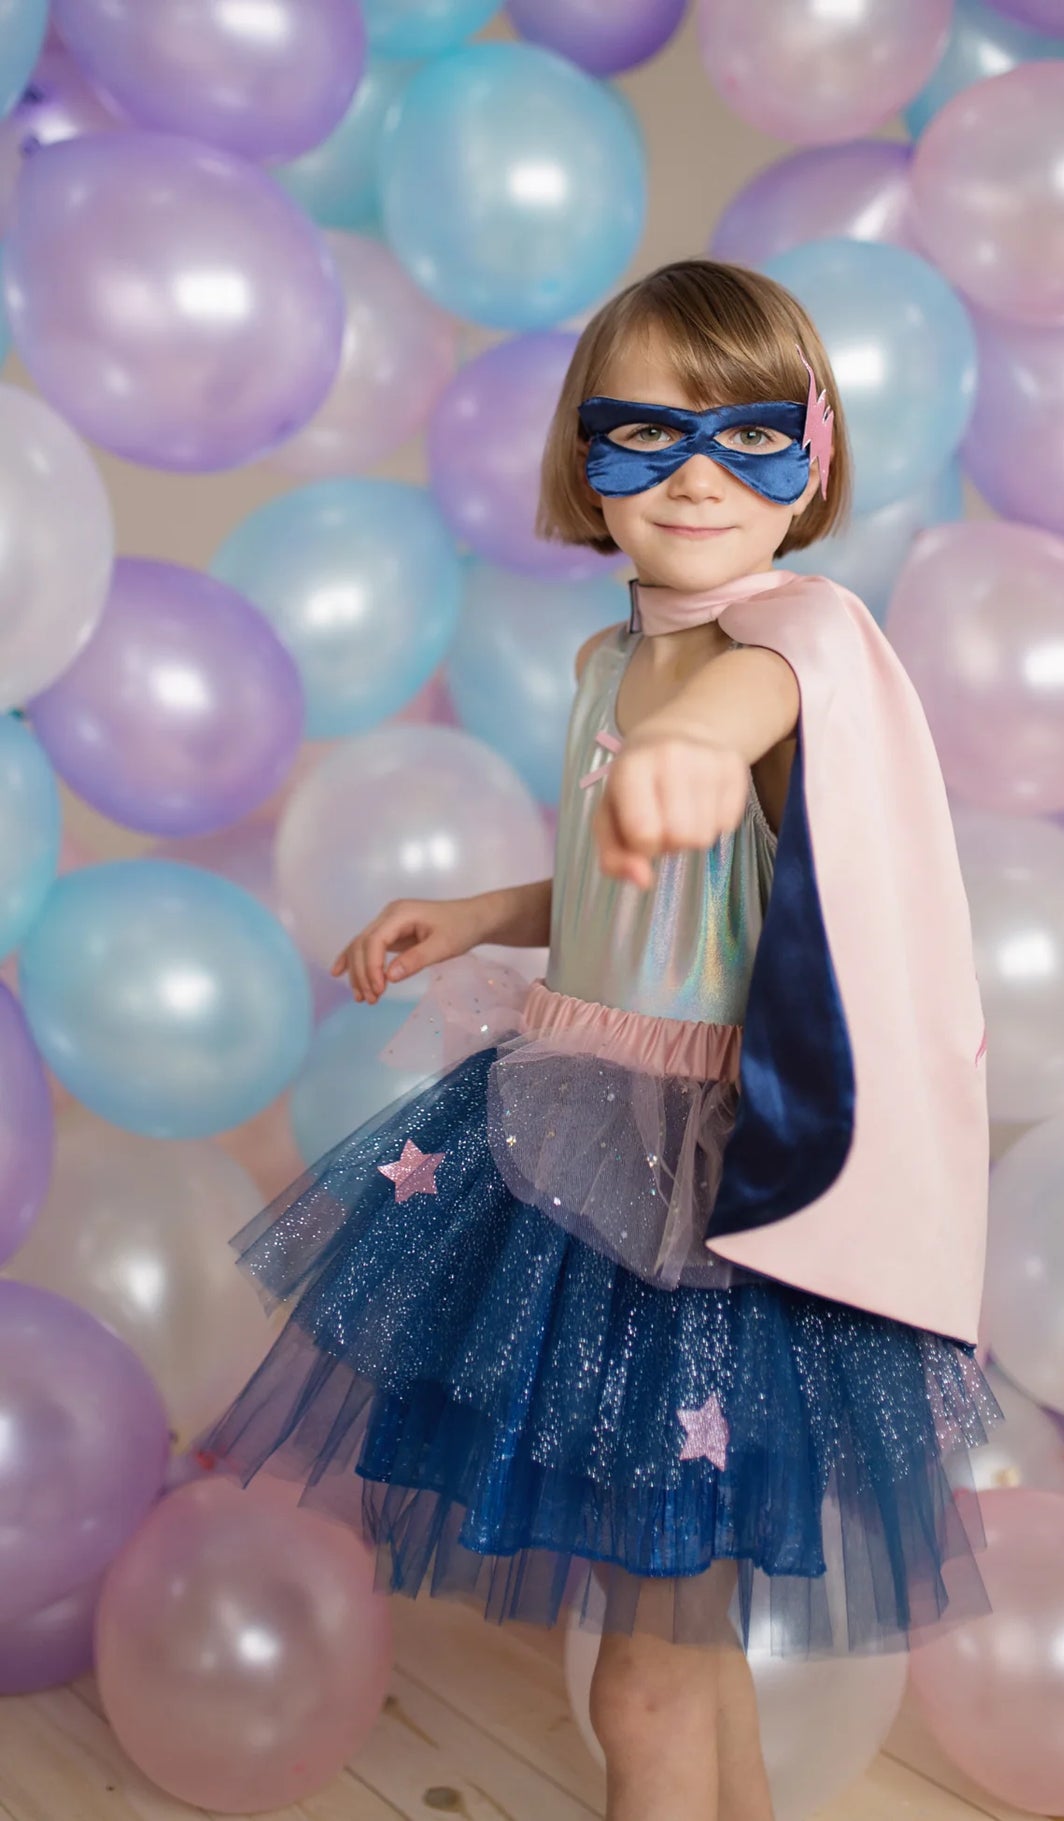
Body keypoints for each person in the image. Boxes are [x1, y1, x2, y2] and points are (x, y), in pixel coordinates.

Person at [195, 258, 1003, 1821]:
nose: (698, 474)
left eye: (748, 436)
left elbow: (746, 716)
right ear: (582, 457)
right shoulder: (605, 661)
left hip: (701, 1199)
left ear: (814, 454)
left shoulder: (796, 640)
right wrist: (490, 909)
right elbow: (636, 893)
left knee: (643, 1667)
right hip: (572, 1139)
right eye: (645, 435)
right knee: (680, 1644)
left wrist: (696, 753)